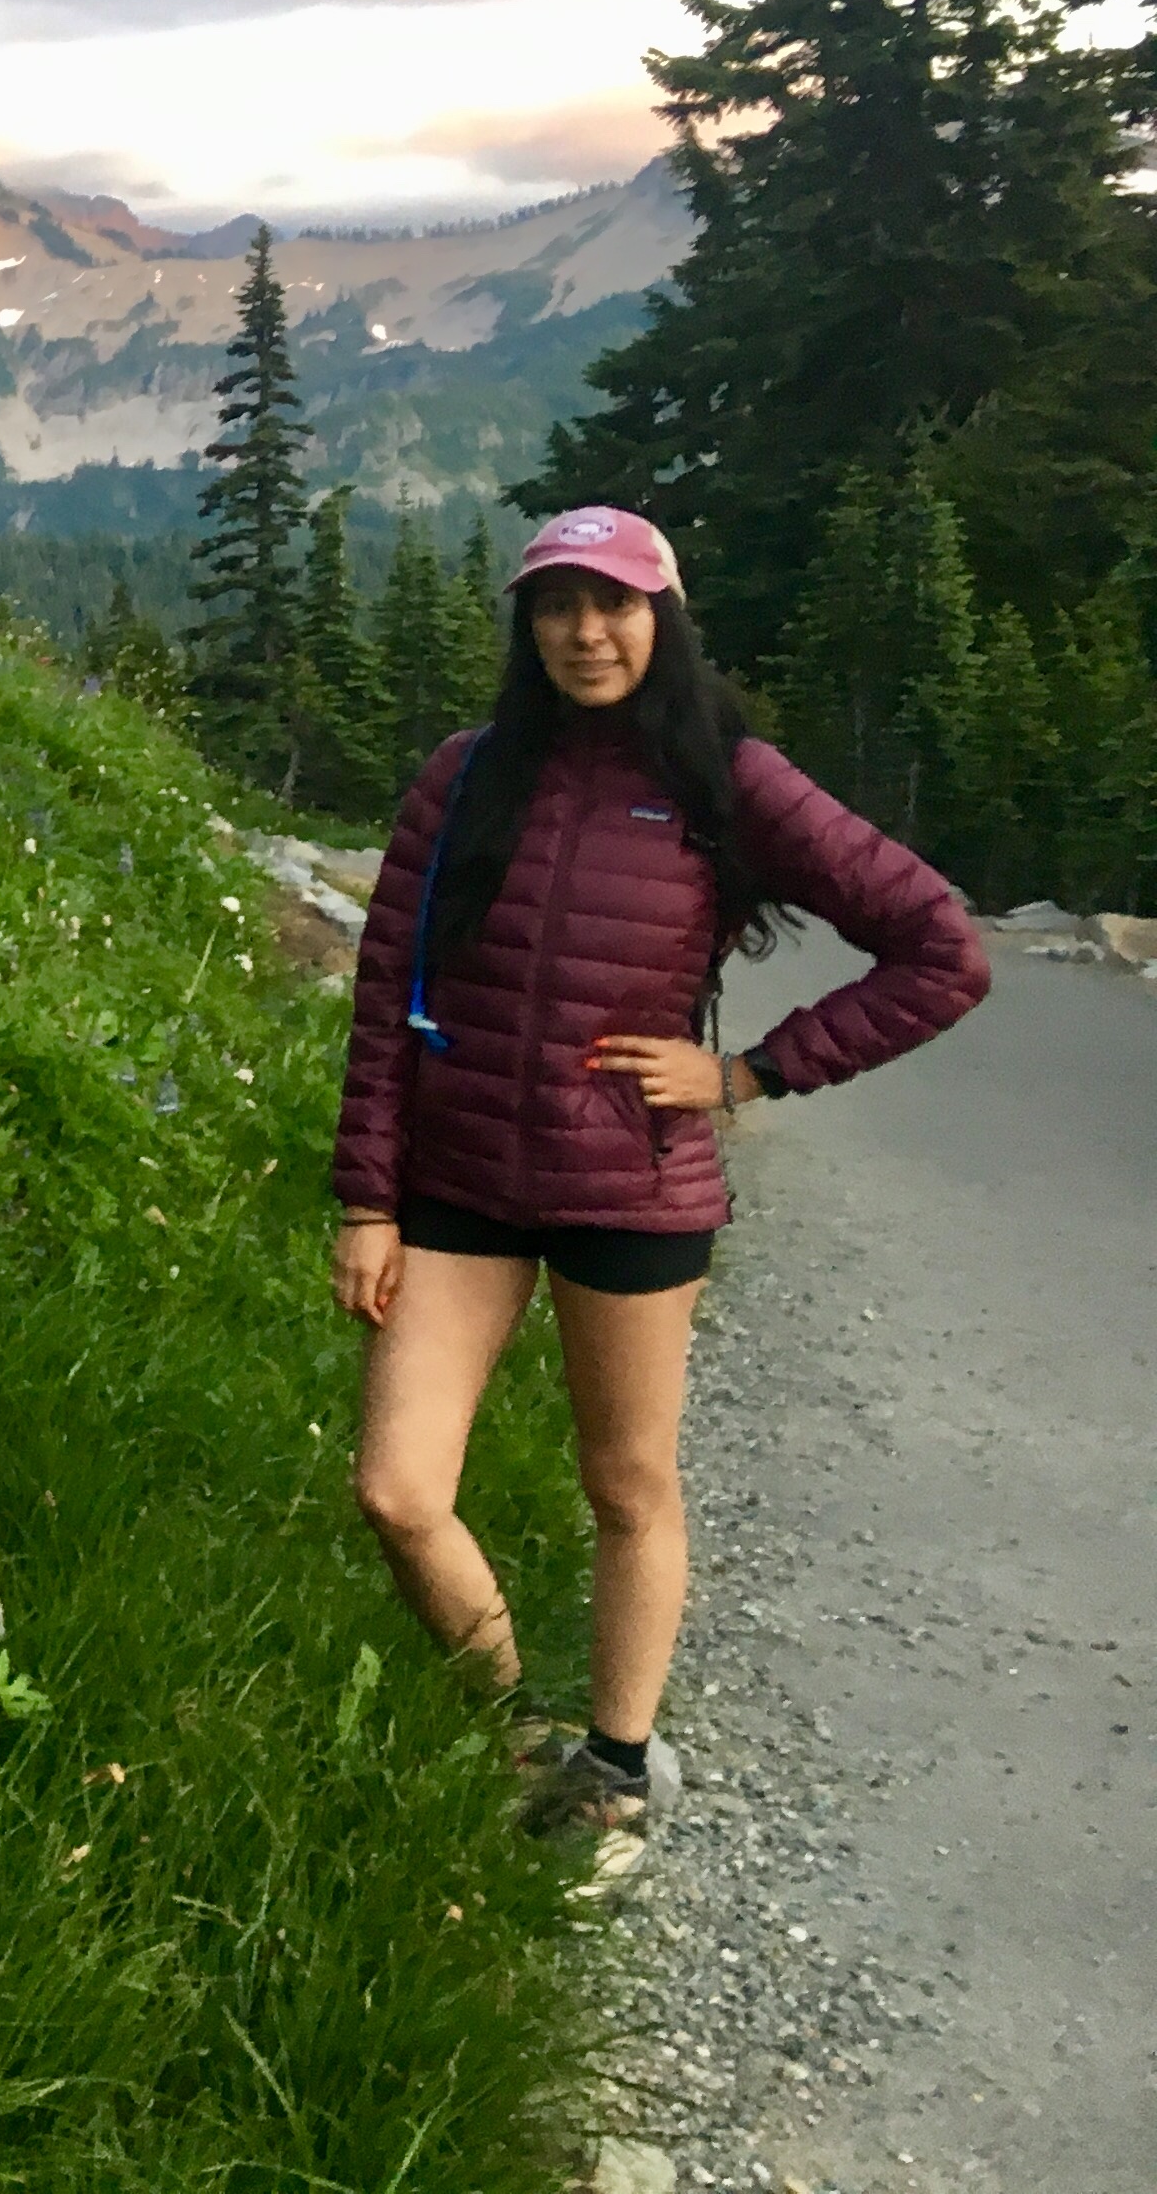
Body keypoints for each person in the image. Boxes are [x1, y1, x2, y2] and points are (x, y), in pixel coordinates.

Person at [327, 506, 986, 1834]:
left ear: (664, 617)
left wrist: (749, 1076)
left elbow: (941, 951)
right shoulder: (462, 776)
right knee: (397, 1492)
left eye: (616, 604)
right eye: (557, 607)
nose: (586, 632)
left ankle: (614, 1776)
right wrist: (366, 1198)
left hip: (632, 1190)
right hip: (457, 1190)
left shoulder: (727, 779)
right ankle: (516, 1739)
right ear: (527, 627)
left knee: (627, 1485)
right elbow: (387, 992)